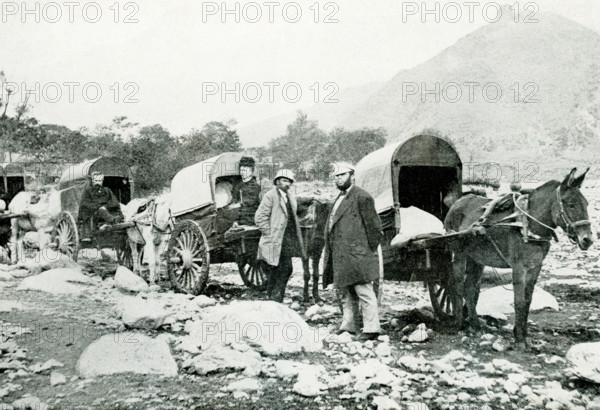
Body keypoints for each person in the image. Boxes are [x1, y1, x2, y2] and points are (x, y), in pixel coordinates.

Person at [323, 162, 383, 341]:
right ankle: (348, 326)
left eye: (342, 175)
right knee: (345, 291)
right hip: (341, 254)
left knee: (363, 290)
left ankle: (372, 328)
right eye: (336, 177)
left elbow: (374, 228)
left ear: (352, 176)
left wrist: (365, 250)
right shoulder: (340, 198)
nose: (339, 179)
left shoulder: (362, 197)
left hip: (357, 254)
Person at [255, 169, 306, 302]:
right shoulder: (270, 196)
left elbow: (294, 213)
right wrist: (268, 233)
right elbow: (260, 217)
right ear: (277, 182)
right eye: (284, 180)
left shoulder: (290, 196)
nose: (287, 184)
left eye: (289, 181)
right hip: (274, 238)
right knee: (273, 268)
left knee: (287, 268)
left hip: (287, 239)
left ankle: (276, 297)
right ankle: (273, 297)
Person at [78, 172, 124, 241]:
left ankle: (119, 222)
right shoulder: (88, 191)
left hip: (107, 212)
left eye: (99, 181)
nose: (97, 183)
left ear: (102, 181)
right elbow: (84, 203)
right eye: (96, 180)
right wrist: (98, 207)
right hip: (93, 215)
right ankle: (115, 221)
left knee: (119, 210)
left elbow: (115, 202)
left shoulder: (107, 190)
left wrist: (106, 207)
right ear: (93, 181)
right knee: (101, 211)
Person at [230, 156, 261, 226]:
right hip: (239, 213)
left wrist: (238, 204)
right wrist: (233, 203)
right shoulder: (238, 185)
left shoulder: (255, 185)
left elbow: (250, 201)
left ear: (251, 172)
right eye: (241, 170)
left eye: (245, 170)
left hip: (251, 214)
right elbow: (235, 197)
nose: (242, 173)